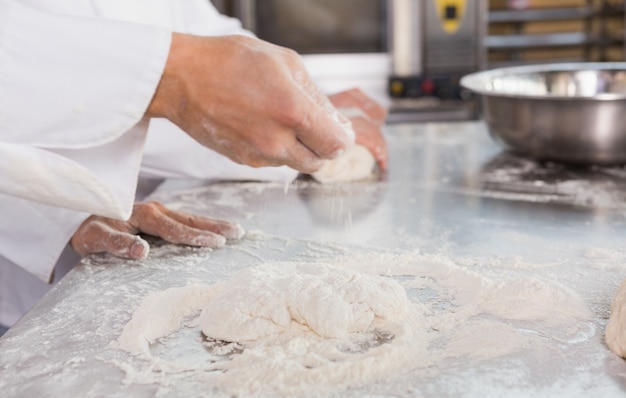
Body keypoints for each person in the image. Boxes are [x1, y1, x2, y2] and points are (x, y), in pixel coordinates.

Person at [0, 0, 388, 335]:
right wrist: (56, 207)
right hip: (28, 279)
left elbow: (199, 30)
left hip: (147, 254)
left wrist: (298, 99)